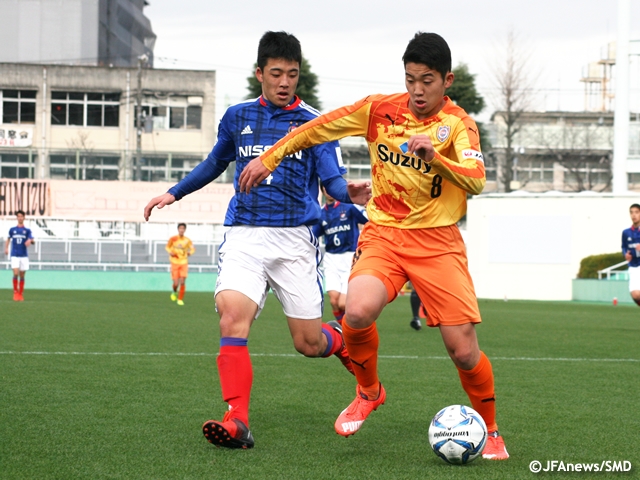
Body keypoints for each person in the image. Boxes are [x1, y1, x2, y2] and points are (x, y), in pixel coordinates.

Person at [238, 32, 509, 460]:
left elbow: (476, 180)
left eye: (427, 80)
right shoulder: (378, 110)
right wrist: (270, 156)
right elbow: (316, 127)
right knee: (356, 311)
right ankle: (369, 390)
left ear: (447, 80)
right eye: (410, 79)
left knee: (462, 349)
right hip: (384, 235)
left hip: (438, 243)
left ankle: (490, 429)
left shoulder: (459, 124)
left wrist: (435, 157)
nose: (417, 90)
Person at [144, 31, 371, 450]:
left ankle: (339, 340)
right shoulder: (237, 116)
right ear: (259, 74)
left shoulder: (316, 123)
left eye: (293, 75)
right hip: (244, 233)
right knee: (232, 317)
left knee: (308, 343)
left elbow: (333, 181)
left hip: (295, 241)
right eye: (277, 74)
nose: (285, 82)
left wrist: (349, 193)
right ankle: (237, 421)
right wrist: (173, 193)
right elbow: (216, 161)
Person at [313, 183, 368, 322]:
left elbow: (367, 219)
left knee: (343, 303)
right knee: (333, 301)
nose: (329, 191)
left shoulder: (348, 207)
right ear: (323, 191)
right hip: (331, 259)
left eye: (331, 188)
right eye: (325, 188)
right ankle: (345, 332)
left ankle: (349, 331)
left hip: (349, 257)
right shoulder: (320, 214)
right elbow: (313, 236)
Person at [4, 210, 34, 302]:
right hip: (15, 255)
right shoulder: (12, 230)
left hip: (24, 255)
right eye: (18, 216)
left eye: (21, 216)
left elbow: (33, 240)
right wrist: (6, 248)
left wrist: (30, 241)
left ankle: (20, 294)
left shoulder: (27, 230)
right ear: (17, 218)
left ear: (24, 217)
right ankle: (15, 292)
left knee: (22, 275)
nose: (20, 218)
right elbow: (8, 239)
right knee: (15, 273)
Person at [166, 223, 195, 306]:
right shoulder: (173, 238)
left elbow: (192, 248)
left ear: (185, 230)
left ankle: (180, 299)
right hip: (174, 262)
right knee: (176, 283)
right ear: (178, 229)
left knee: (182, 281)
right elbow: (167, 247)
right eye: (180, 228)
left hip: (183, 262)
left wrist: (190, 253)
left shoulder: (187, 240)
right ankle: (174, 291)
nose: (181, 230)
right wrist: (170, 252)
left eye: (183, 228)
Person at [622, 203, 640, 306]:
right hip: (633, 266)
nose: (634, 215)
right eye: (631, 212)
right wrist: (625, 254)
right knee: (635, 295)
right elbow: (623, 247)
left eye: (636, 212)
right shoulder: (626, 232)